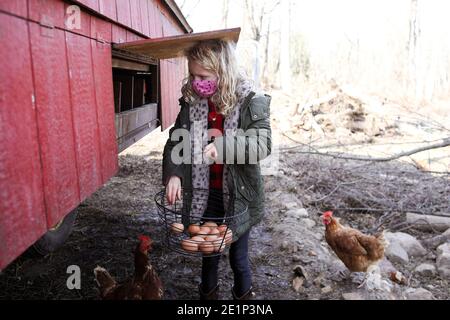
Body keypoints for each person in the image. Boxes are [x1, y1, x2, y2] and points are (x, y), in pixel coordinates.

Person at [162, 39, 272, 300]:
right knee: (209, 251)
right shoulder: (193, 104)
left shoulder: (249, 101)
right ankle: (208, 297)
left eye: (203, 75)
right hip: (206, 191)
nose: (196, 81)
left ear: (223, 71)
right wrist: (174, 173)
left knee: (239, 258)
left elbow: (262, 143)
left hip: (238, 194)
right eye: (192, 74)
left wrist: (225, 147)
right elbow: (177, 140)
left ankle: (243, 298)